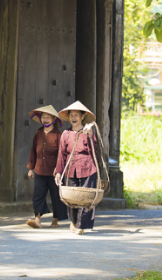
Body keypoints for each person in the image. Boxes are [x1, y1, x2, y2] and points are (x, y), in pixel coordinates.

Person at [55, 101, 98, 235]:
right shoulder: (65, 134)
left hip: (87, 167)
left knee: (85, 198)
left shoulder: (88, 132)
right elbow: (61, 154)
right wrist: (58, 173)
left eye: (76, 115)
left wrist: (90, 135)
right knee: (72, 198)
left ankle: (81, 226)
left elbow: (95, 150)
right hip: (70, 168)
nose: (73, 117)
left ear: (82, 116)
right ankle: (74, 221)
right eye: (71, 115)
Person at [25, 105, 68, 229]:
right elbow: (33, 150)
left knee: (56, 196)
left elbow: (62, 152)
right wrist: (30, 168)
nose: (45, 119)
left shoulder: (58, 134)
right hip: (39, 169)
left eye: (48, 117)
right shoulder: (38, 133)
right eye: (43, 117)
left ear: (54, 119)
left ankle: (55, 219)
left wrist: (59, 169)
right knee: (38, 194)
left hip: (54, 172)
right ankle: (37, 220)